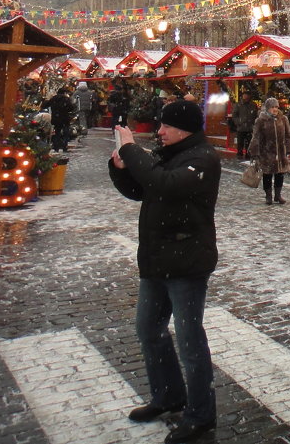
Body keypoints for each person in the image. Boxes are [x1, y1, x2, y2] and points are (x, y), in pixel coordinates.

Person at [109, 100, 220, 444]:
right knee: (149, 330)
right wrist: (121, 166)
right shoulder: (172, 154)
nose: (160, 132)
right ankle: (168, 395)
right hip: (156, 260)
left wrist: (130, 147)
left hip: (187, 263)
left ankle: (201, 415)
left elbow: (166, 185)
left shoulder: (202, 158)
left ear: (183, 128)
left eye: (166, 126)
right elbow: (140, 188)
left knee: (190, 341)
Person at [249, 97, 290, 205]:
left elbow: (288, 135)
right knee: (267, 175)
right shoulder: (261, 120)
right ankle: (268, 196)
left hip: (280, 152)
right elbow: (256, 136)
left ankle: (278, 195)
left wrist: (289, 149)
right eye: (272, 107)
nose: (275, 109)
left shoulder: (283, 119)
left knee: (280, 174)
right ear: (268, 108)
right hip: (267, 152)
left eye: (276, 107)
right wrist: (255, 152)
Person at [231, 95, 258, 159]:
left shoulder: (253, 105)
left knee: (249, 142)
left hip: (249, 127)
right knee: (240, 142)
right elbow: (234, 115)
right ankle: (240, 154)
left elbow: (255, 115)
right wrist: (238, 122)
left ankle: (248, 154)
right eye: (244, 96)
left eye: (247, 96)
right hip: (241, 127)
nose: (246, 97)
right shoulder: (238, 105)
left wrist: (253, 123)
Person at [48, 87, 75, 152]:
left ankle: (56, 147)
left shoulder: (53, 98)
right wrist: (66, 110)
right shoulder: (66, 99)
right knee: (66, 132)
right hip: (65, 117)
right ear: (64, 93)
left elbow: (46, 104)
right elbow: (71, 107)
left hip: (56, 117)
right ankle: (64, 146)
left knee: (57, 132)